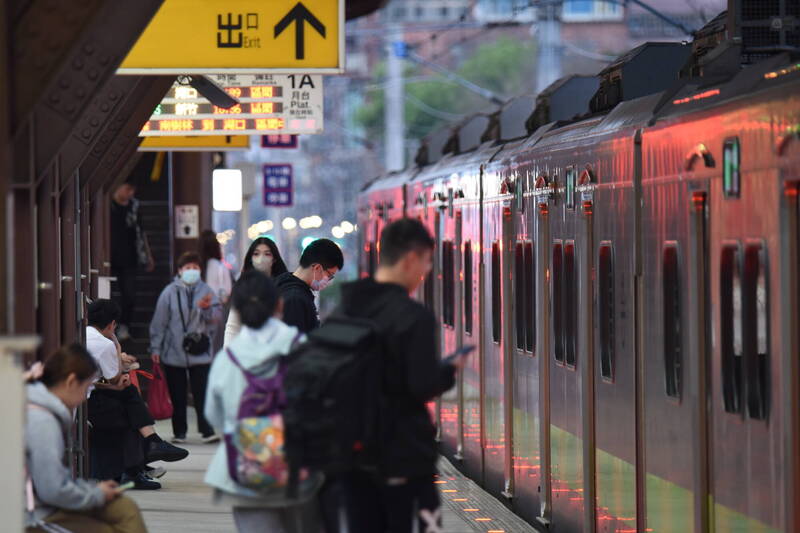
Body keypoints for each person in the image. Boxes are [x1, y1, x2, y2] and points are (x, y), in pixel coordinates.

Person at [338, 218, 461, 533]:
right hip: (401, 456)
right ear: (410, 260)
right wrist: (447, 372)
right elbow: (421, 386)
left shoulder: (346, 308)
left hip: (351, 454)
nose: (426, 272)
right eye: (426, 262)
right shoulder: (414, 318)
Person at [205, 270, 322, 533]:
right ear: (279, 305)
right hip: (297, 463)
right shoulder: (301, 347)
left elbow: (214, 416)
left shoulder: (228, 359)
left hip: (248, 466)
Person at [25, 344, 148, 533]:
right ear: (71, 382)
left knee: (124, 508)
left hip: (39, 505)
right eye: (86, 387)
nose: (85, 397)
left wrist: (94, 491)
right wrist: (96, 493)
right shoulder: (43, 421)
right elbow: (52, 489)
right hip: (32, 514)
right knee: (119, 516)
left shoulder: (38, 409)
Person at [86, 299, 188, 489]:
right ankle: (147, 450)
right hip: (90, 403)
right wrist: (116, 346)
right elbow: (114, 378)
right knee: (129, 400)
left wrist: (117, 379)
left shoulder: (82, 334)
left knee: (129, 402)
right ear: (112, 324)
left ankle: (144, 457)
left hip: (86, 397)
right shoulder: (104, 344)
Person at [149, 251, 222, 444]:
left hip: (200, 351)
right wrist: (155, 348)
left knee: (202, 392)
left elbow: (216, 319)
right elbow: (159, 322)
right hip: (173, 351)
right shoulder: (169, 292)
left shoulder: (207, 291)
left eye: (195, 268)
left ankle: (206, 430)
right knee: (177, 394)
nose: (192, 271)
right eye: (188, 268)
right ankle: (179, 431)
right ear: (180, 270)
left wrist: (206, 309)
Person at [223, 236, 288, 346]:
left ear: (274, 259)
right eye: (256, 254)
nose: (261, 258)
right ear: (250, 258)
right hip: (248, 348)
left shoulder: (284, 285)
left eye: (267, 254)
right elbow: (233, 327)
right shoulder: (243, 285)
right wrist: (228, 355)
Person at [110, 179, 154, 341]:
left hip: (130, 258)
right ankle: (108, 326)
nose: (131, 193)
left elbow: (141, 232)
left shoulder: (134, 207)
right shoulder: (107, 204)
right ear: (118, 187)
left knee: (129, 295)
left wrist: (148, 255)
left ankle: (124, 326)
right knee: (108, 293)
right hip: (109, 257)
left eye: (132, 190)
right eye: (128, 189)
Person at [274, 238, 343, 334]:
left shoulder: (289, 286)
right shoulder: (295, 299)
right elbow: (296, 345)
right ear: (317, 268)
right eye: (329, 275)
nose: (329, 281)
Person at [199, 230, 233, 353]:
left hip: (199, 311)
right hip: (217, 311)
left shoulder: (198, 266)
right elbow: (226, 292)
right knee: (216, 346)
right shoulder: (220, 266)